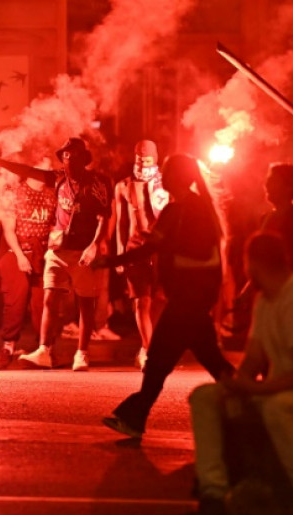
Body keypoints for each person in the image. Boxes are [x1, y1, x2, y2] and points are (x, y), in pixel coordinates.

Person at [185, 233, 293, 515]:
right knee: (204, 397)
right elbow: (253, 358)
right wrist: (235, 386)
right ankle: (213, 495)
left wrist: (256, 389)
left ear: (255, 264)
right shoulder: (265, 300)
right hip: (285, 391)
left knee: (278, 409)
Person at [95, 154, 234, 438]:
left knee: (160, 359)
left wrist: (110, 261)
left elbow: (178, 252)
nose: (163, 177)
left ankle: (135, 416)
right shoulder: (185, 208)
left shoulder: (185, 210)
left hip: (187, 300)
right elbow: (161, 246)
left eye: (168, 172)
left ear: (177, 177)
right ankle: (253, 404)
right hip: (190, 299)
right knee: (208, 361)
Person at [0, 137, 111, 371]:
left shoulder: (98, 182)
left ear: (84, 158)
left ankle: (81, 354)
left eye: (72, 156)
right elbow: (26, 170)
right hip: (57, 250)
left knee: (85, 303)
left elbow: (104, 216)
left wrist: (95, 244)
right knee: (49, 299)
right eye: (64, 156)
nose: (68, 160)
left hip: (82, 250)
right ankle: (44, 350)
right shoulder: (58, 178)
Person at [0, 160, 56, 369]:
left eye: (48, 172)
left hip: (42, 251)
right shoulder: (13, 193)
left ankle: (44, 347)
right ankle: (8, 346)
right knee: (17, 298)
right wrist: (20, 256)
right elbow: (8, 230)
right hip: (15, 251)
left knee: (42, 301)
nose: (46, 175)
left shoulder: (51, 194)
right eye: (42, 172)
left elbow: (54, 225)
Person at [113, 140, 168, 370]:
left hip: (162, 250)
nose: (143, 163)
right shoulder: (124, 186)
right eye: (139, 158)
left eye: (147, 159)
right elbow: (120, 223)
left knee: (160, 300)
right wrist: (119, 252)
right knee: (141, 302)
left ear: (155, 158)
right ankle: (151, 351)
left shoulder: (165, 183)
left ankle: (146, 348)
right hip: (135, 249)